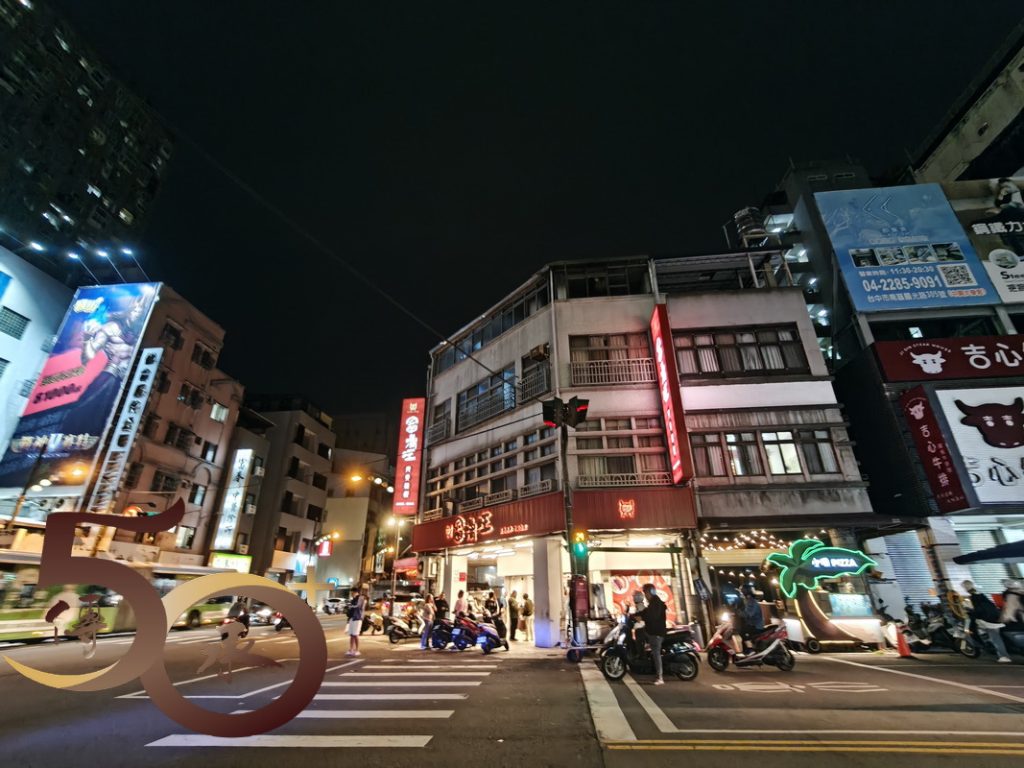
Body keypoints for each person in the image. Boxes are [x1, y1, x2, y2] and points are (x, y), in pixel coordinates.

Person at [962, 581, 1010, 663]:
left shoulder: (974, 597)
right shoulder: (981, 595)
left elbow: (977, 610)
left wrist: (970, 611)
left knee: (995, 638)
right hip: (994, 618)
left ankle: (1003, 656)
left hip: (988, 621)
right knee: (992, 636)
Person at [637, 583, 667, 685]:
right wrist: (635, 615)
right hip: (652, 632)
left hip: (656, 632)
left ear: (651, 592)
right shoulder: (653, 603)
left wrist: (642, 617)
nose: (645, 595)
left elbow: (652, 616)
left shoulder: (656, 603)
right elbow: (646, 612)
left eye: (646, 593)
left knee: (656, 653)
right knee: (640, 635)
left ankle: (660, 677)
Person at [735, 586, 765, 655]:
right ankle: (747, 651)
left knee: (743, 632)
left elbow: (748, 614)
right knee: (743, 631)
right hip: (753, 624)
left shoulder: (751, 601)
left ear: (746, 593)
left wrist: (738, 612)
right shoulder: (749, 601)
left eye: (742, 592)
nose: (741, 594)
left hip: (756, 625)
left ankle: (751, 650)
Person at [347, 587, 367, 657]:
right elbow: (352, 607)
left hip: (357, 618)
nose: (351, 594)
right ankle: (351, 649)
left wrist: (351, 606)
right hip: (352, 618)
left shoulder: (361, 598)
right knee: (351, 635)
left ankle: (357, 650)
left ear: (356, 592)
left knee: (355, 635)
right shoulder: (353, 599)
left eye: (352, 592)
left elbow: (358, 606)